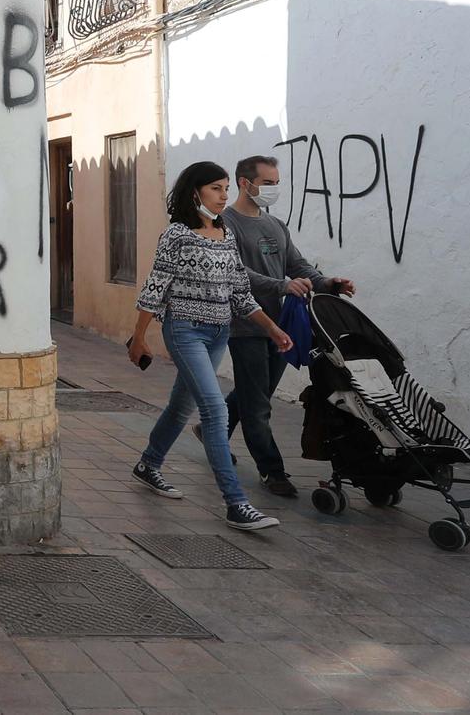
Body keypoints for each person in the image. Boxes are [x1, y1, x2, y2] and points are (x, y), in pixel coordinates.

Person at [127, 160, 295, 532]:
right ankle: (236, 504)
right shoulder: (176, 234)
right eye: (216, 188)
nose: (223, 195)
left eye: (224, 188)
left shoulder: (226, 234)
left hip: (220, 332)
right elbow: (156, 287)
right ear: (195, 192)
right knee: (216, 411)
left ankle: (149, 464)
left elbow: (240, 292)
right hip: (185, 331)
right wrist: (139, 337)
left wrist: (271, 329)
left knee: (179, 406)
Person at [214, 155, 356, 498]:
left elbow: (297, 264)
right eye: (268, 183)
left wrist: (328, 283)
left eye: (277, 182)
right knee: (258, 405)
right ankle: (272, 471)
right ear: (246, 183)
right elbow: (236, 273)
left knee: (256, 394)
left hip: (280, 326)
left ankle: (211, 432)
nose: (274, 189)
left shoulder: (275, 225)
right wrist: (281, 286)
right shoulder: (225, 224)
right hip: (244, 325)